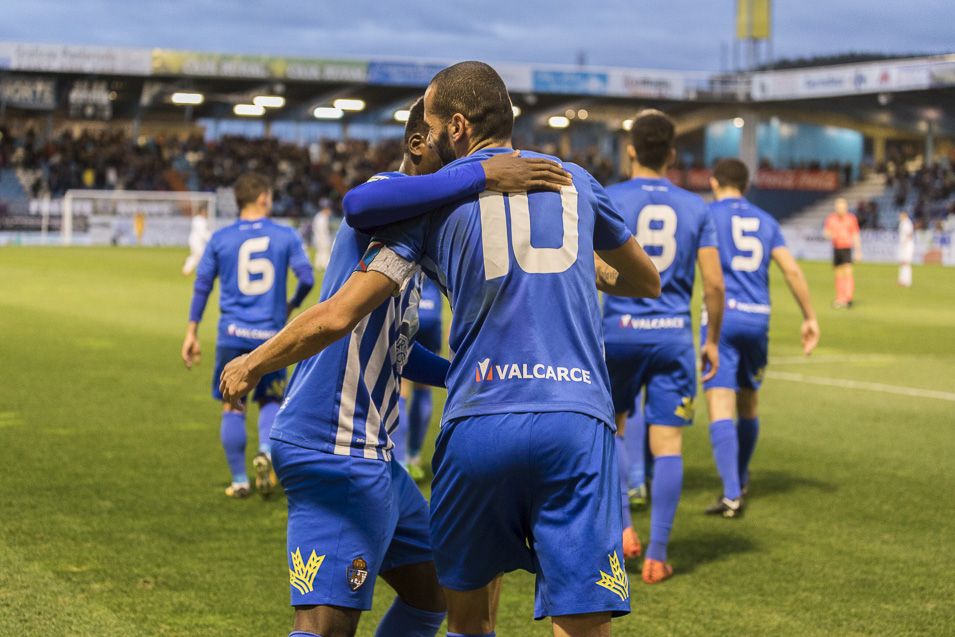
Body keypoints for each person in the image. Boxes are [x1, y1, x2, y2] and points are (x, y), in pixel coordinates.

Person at [221, 62, 660, 637]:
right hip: (560, 419)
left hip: (471, 424)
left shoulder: (427, 210)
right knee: (580, 621)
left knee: (452, 610)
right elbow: (646, 281)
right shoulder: (566, 178)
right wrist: (587, 263)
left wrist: (468, 372)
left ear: (454, 128)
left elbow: (368, 326)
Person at [601, 109, 725, 584]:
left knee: (611, 431)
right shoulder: (696, 207)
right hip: (673, 336)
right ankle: (657, 555)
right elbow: (714, 285)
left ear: (630, 150)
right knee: (669, 443)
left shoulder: (609, 198)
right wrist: (710, 340)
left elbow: (589, 267)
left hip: (619, 333)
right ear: (672, 154)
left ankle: (623, 530)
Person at [181, 172, 314, 499]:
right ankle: (266, 450)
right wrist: (291, 305)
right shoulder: (285, 235)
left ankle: (240, 481)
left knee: (233, 404)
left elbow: (202, 285)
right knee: (271, 399)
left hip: (232, 334)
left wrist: (192, 331)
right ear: (263, 198)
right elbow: (307, 277)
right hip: (270, 335)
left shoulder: (220, 238)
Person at [703, 159, 820, 516]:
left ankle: (731, 494)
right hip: (757, 319)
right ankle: (741, 477)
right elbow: (791, 270)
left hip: (722, 320)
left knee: (720, 403)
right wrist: (809, 317)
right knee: (749, 403)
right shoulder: (766, 221)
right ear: (746, 186)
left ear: (714, 183)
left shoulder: (708, 216)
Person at [393, 276, 444, 481]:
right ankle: (414, 456)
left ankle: (399, 462)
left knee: (401, 387)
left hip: (407, 310)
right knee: (423, 388)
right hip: (432, 313)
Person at [823, 198, 862, 308]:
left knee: (848, 272)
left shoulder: (851, 218)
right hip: (837, 248)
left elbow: (855, 234)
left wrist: (858, 251)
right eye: (839, 207)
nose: (841, 209)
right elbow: (826, 233)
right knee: (839, 274)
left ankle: (848, 298)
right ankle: (840, 298)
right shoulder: (831, 219)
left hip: (847, 248)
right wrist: (830, 235)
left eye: (843, 207)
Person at [182, 207, 211, 276]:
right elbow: (203, 232)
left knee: (196, 256)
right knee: (200, 255)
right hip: (196, 242)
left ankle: (187, 269)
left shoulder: (198, 219)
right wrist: (211, 238)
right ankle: (199, 270)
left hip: (197, 241)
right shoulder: (200, 221)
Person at [312, 199, 333, 272]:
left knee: (320, 253)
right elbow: (322, 231)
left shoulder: (320, 216)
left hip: (319, 238)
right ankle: (324, 266)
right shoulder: (321, 218)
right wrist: (326, 239)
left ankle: (318, 266)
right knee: (324, 253)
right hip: (322, 238)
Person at [898, 211, 914, 287]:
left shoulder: (907, 223)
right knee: (902, 262)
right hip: (903, 245)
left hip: (907, 245)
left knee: (906, 263)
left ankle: (907, 281)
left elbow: (909, 234)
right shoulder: (902, 223)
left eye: (900, 215)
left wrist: (905, 242)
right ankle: (902, 280)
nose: (899, 217)